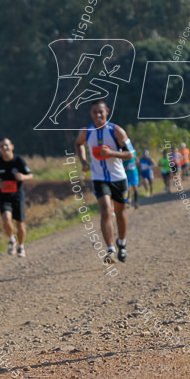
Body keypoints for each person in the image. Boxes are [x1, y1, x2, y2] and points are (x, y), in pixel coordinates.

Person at [75, 100, 135, 263]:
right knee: (105, 210)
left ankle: (121, 243)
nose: (98, 115)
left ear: (107, 111)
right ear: (91, 114)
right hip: (99, 178)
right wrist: (84, 161)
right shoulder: (86, 132)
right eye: (95, 112)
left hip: (119, 178)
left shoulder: (116, 131)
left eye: (101, 112)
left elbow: (131, 154)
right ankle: (110, 250)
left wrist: (112, 153)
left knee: (121, 213)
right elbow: (79, 144)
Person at [0, 138, 33, 257]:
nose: (4, 148)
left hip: (17, 196)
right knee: (6, 219)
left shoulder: (19, 160)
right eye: (1, 146)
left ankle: (21, 246)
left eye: (6, 145)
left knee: (20, 224)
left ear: (12, 146)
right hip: (4, 196)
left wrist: (23, 177)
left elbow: (30, 175)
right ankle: (11, 239)